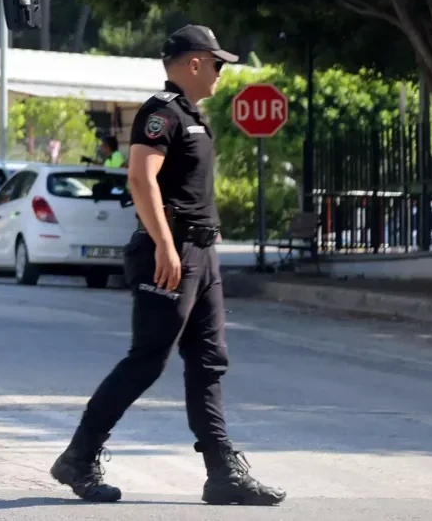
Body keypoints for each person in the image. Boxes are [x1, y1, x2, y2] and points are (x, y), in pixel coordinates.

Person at [50, 25, 285, 506]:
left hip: (202, 253)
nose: (221, 72)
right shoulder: (162, 113)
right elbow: (141, 177)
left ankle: (222, 473)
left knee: (208, 363)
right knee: (146, 361)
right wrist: (164, 245)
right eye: (217, 63)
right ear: (194, 62)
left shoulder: (192, 115)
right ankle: (79, 456)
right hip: (172, 253)